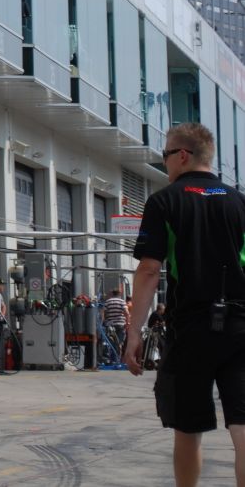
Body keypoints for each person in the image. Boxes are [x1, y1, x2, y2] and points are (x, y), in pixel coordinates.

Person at [126, 123, 245, 487]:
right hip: (241, 328)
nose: (163, 163)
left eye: (164, 155)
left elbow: (149, 270)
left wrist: (134, 333)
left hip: (190, 330)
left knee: (188, 429)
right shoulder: (240, 202)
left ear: (182, 155)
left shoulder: (164, 201)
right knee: (243, 427)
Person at [104, 287, 130, 359]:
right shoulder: (122, 302)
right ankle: (118, 358)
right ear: (119, 294)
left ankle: (112, 358)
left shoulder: (107, 302)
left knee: (111, 342)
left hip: (110, 325)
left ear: (112, 294)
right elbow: (127, 313)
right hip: (120, 324)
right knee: (119, 342)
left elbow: (104, 312)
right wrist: (127, 323)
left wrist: (104, 321)